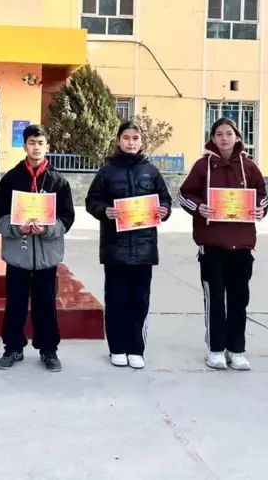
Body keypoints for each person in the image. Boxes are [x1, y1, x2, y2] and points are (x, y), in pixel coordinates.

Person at [178, 118, 268, 370]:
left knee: (239, 298)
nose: (224, 138)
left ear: (237, 137)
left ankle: (237, 349)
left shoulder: (249, 167)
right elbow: (184, 194)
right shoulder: (202, 166)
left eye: (229, 133)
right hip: (211, 244)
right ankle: (216, 349)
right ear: (213, 139)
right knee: (215, 298)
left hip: (242, 245)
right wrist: (199, 207)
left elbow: (263, 195)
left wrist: (260, 209)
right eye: (219, 134)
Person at [85, 121, 171, 370]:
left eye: (135, 138)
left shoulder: (151, 172)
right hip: (116, 248)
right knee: (116, 300)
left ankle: (136, 348)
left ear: (141, 142)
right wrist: (104, 211)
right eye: (126, 138)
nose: (130, 142)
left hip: (144, 249)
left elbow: (165, 199)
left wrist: (163, 210)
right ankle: (117, 348)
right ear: (118, 141)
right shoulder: (107, 171)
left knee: (140, 301)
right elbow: (92, 200)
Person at [0, 124, 75, 372]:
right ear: (24, 145)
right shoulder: (11, 179)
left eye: (40, 143)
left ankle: (48, 350)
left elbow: (67, 217)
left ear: (47, 146)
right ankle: (13, 348)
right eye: (31, 143)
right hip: (18, 254)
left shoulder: (58, 181)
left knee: (46, 304)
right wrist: (17, 227)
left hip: (47, 256)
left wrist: (48, 229)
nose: (36, 147)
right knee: (15, 304)